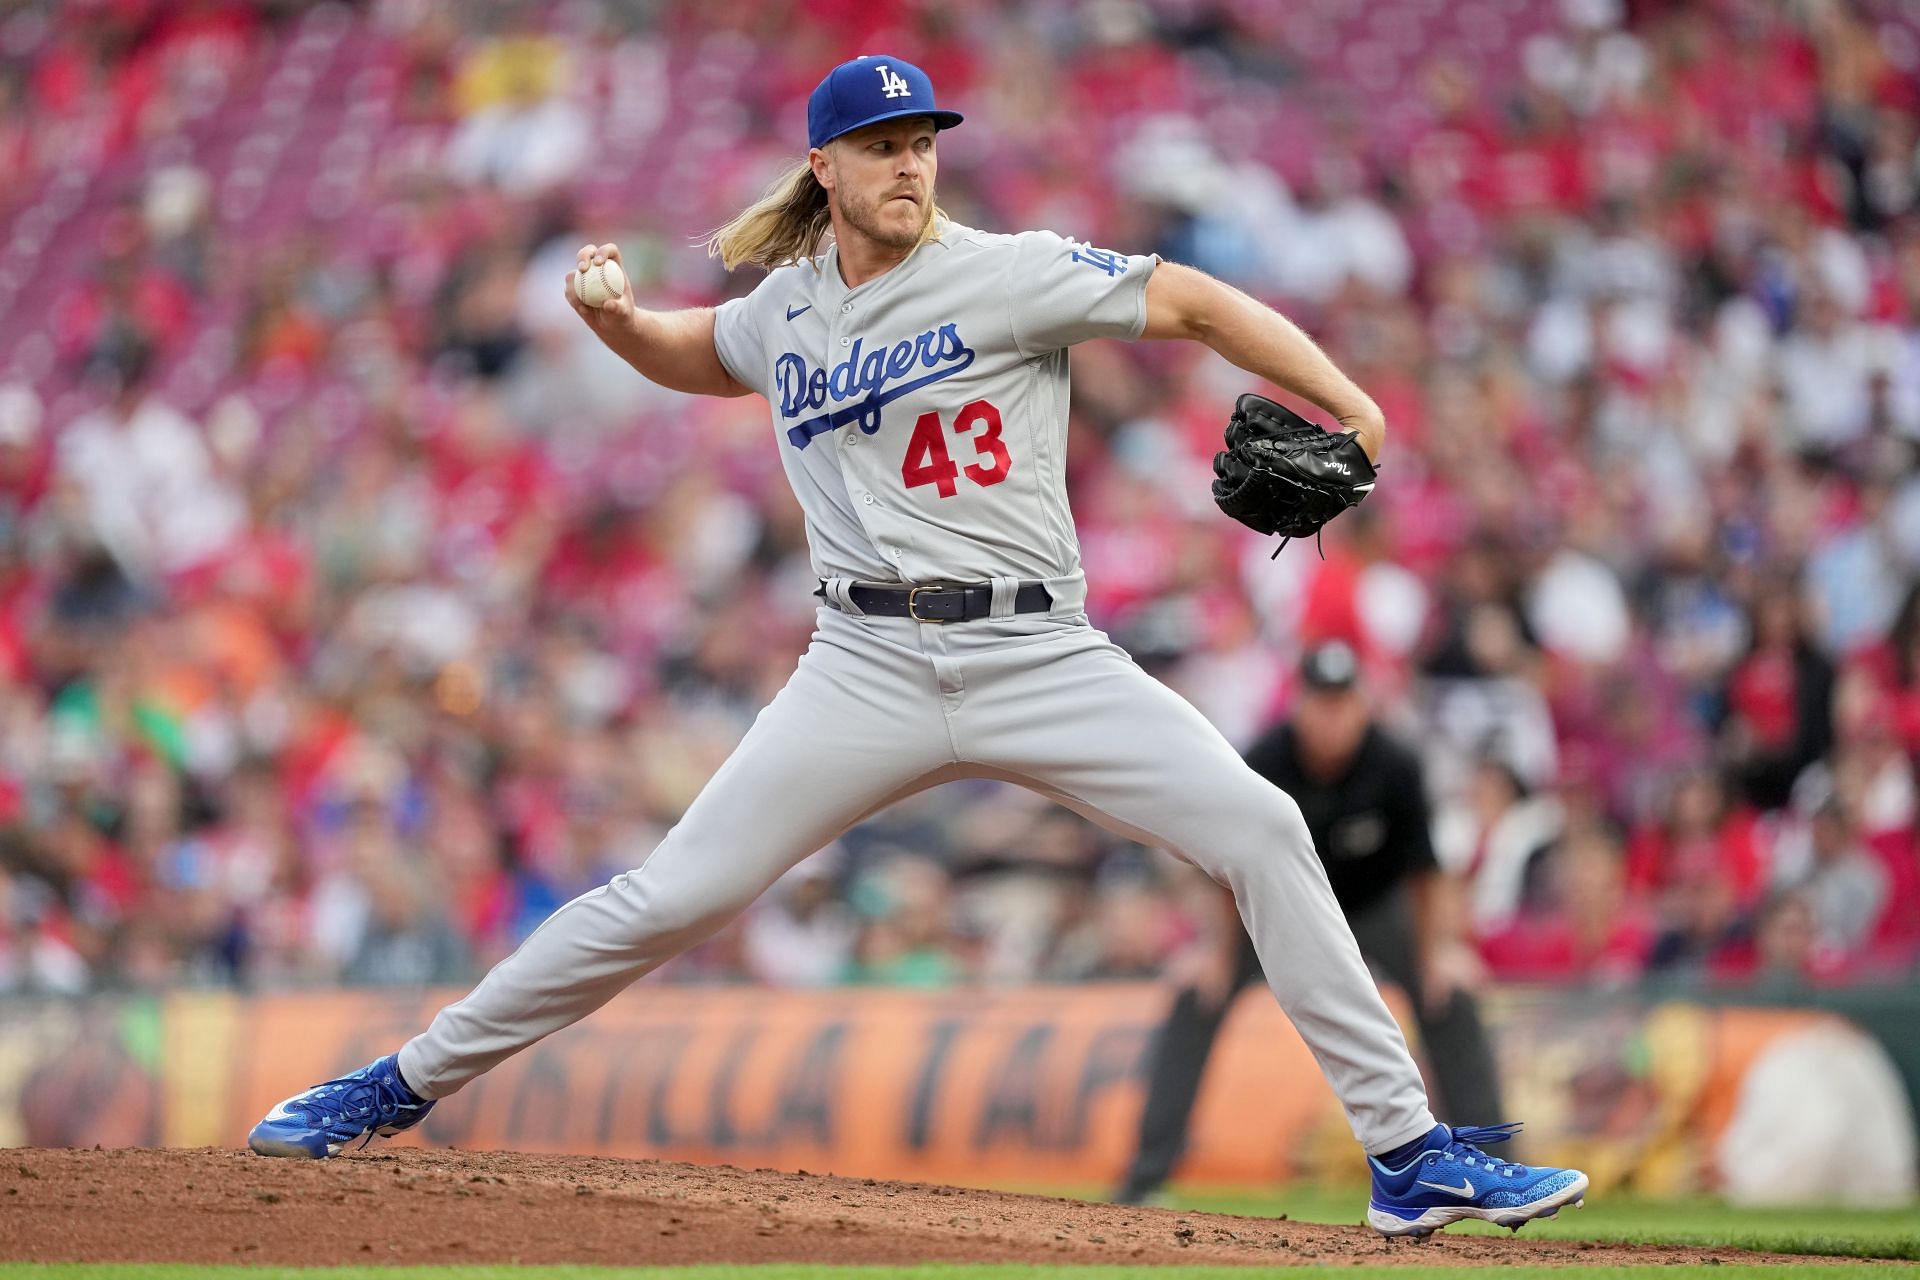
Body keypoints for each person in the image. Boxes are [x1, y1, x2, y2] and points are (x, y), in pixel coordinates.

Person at [247, 54, 1587, 1237]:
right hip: (864, 668)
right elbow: (693, 349)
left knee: (1259, 827)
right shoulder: (783, 309)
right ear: (823, 166)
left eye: (923, 141)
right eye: (883, 146)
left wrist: (1351, 403)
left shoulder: (1006, 271)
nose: (910, 162)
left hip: (1039, 656)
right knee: (670, 900)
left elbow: (1192, 303)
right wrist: (613, 324)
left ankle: (1408, 1156)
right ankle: (393, 1086)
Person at [1115, 640, 1506, 1206]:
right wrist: (1216, 954)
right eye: (1320, 702)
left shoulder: (1395, 763)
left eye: (1342, 702)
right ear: (1298, 704)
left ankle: (1492, 1167)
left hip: (1371, 908)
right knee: (1194, 996)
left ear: (1361, 705)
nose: (1331, 717)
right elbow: (1222, 859)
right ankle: (1147, 1177)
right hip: (1273, 908)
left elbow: (1426, 873)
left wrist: (1439, 951)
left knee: (1452, 996)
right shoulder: (1266, 758)